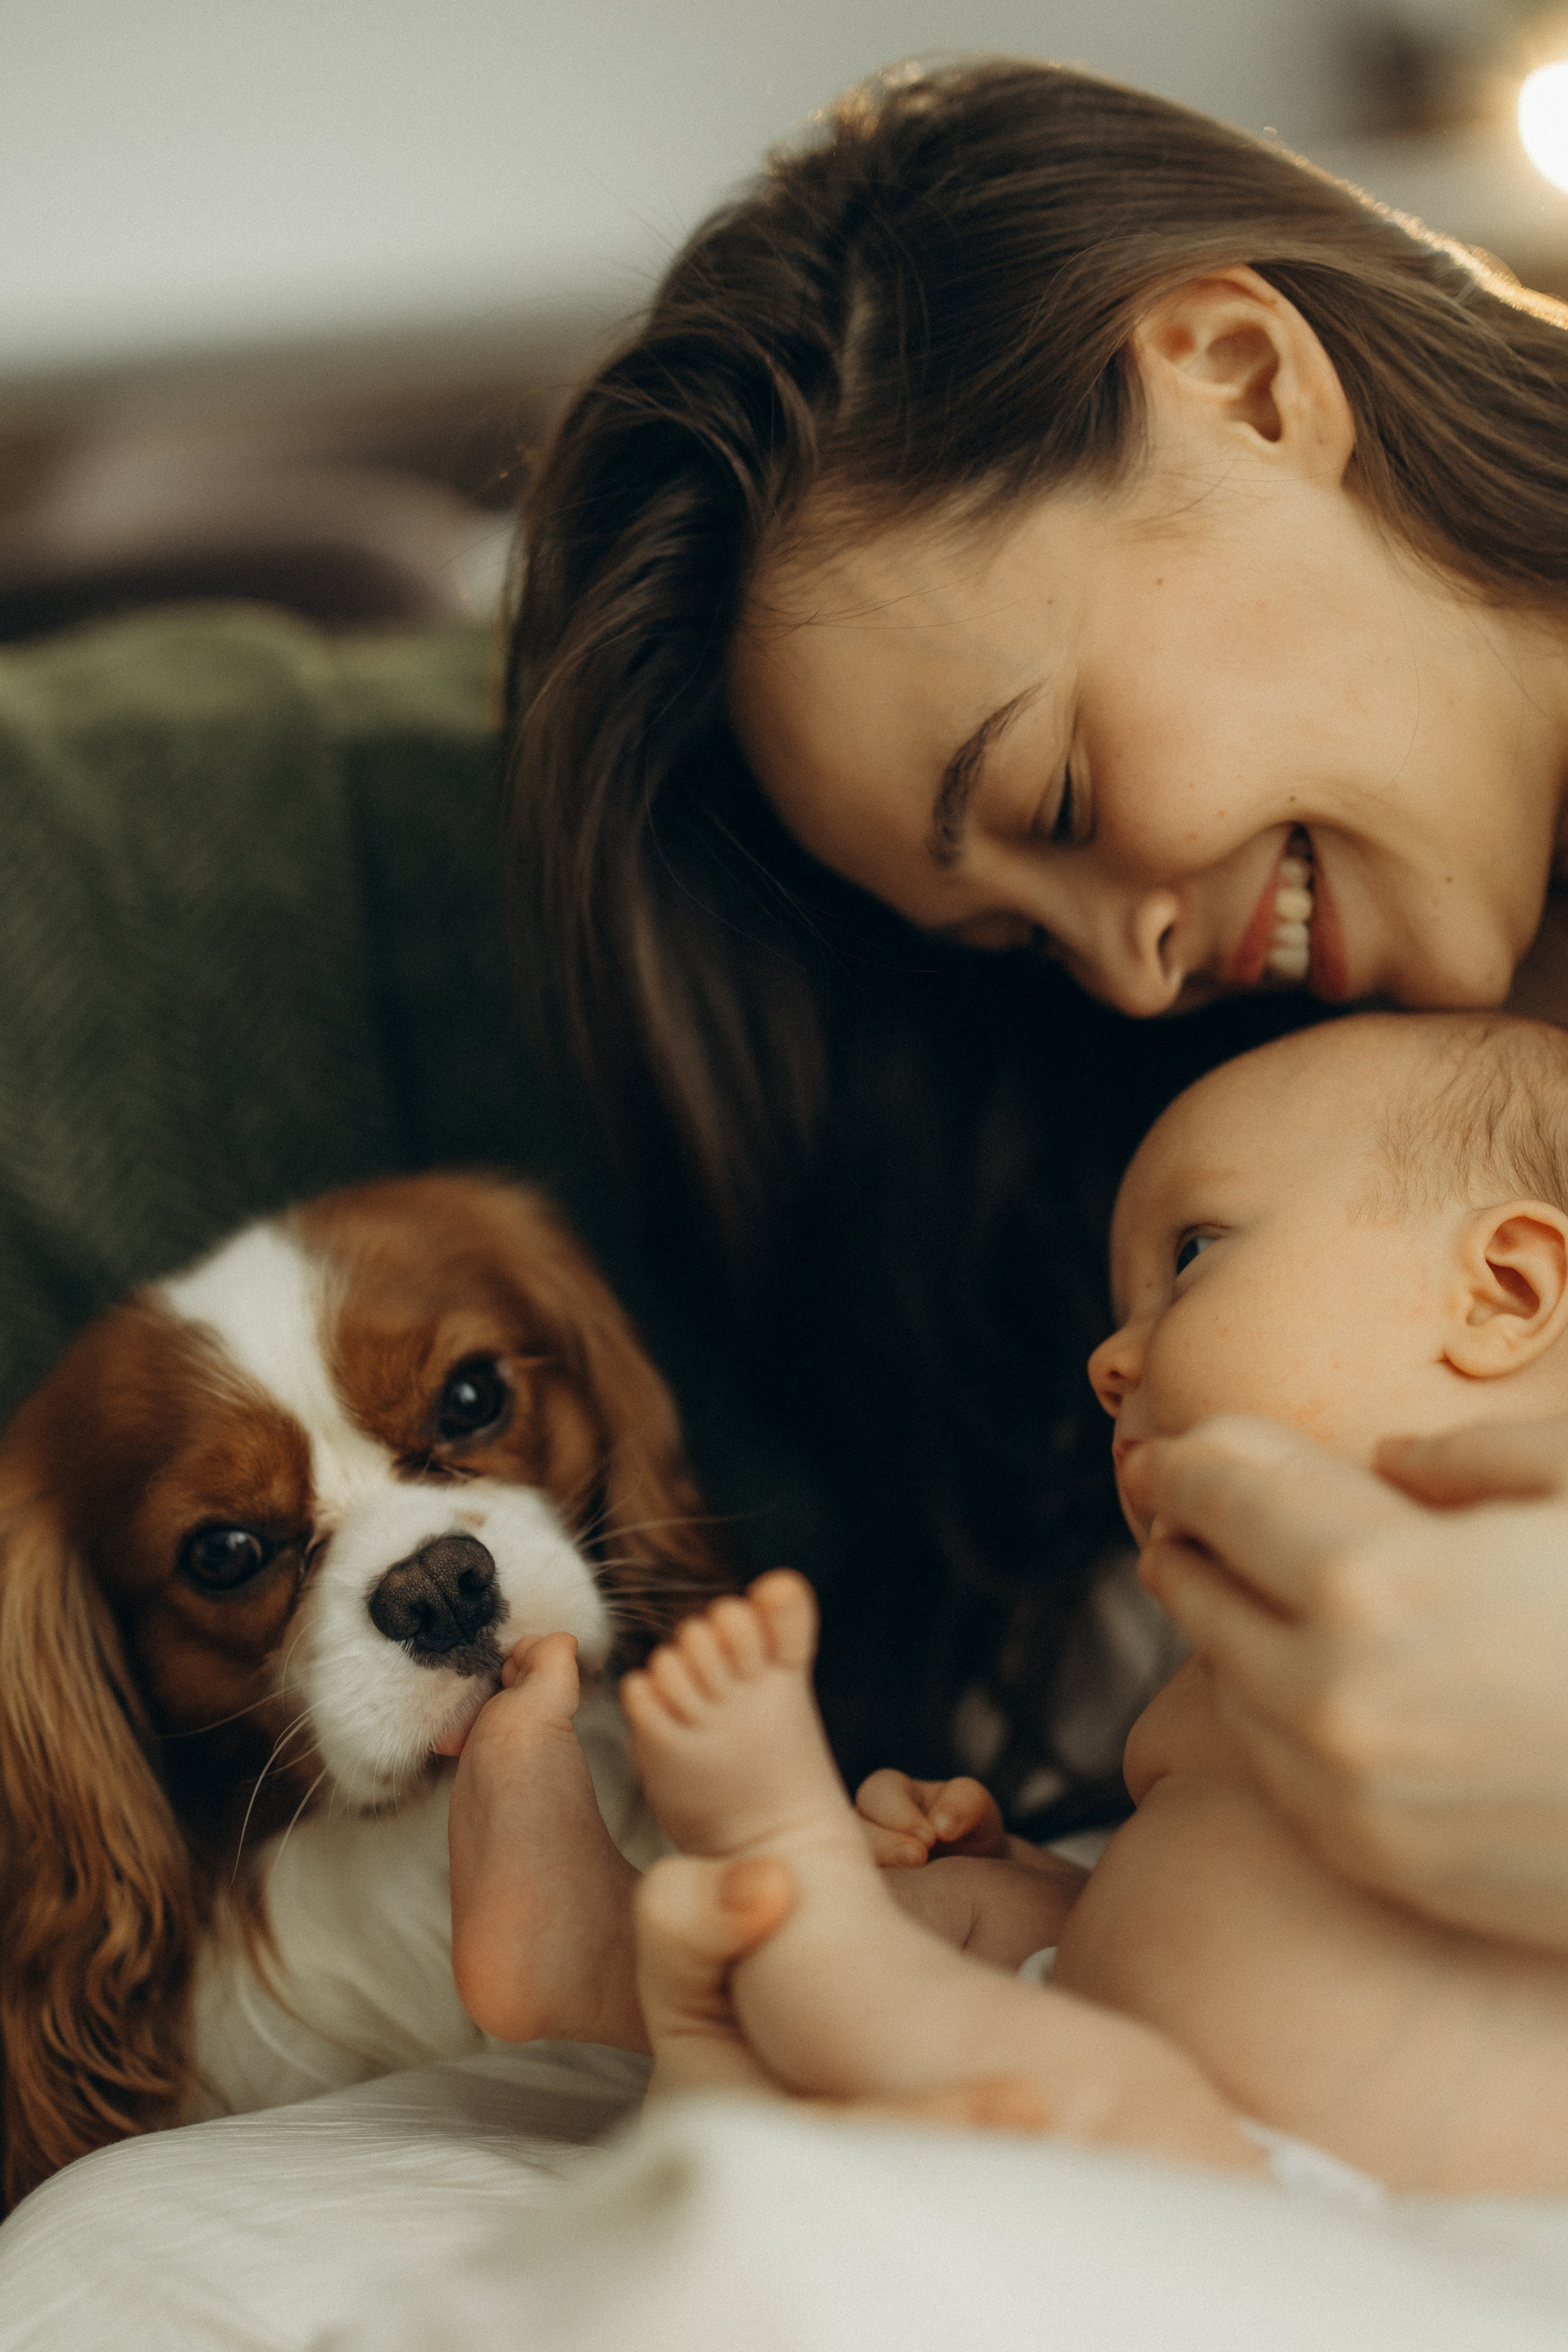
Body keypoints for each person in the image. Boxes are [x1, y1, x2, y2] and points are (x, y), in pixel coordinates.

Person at [504, 58, 1568, 1966]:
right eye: (1014, 943)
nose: (1133, 975)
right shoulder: (1285, 1170)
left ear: (1243, 382)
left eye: (1057, 803)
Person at [447, 1010, 1568, 2192]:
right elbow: (1239, 1910)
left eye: (1191, 1257)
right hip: (1159, 2068)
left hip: (1307, 2192)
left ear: (1506, 1288)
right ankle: (591, 1946)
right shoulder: (1228, 1643)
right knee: (969, 1916)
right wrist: (1048, 1889)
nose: (1108, 1360)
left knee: (1042, 2065)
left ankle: (779, 1894)